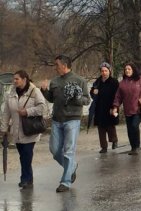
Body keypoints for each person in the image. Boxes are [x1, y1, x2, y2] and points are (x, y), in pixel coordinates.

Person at [40, 55, 91, 192]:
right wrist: (44, 90)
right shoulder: (55, 81)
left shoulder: (80, 81)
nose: (55, 67)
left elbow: (87, 100)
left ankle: (65, 182)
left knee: (68, 151)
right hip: (57, 120)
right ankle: (72, 167)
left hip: (72, 120)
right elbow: (51, 99)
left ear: (64, 65)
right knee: (55, 150)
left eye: (57, 65)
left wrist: (77, 98)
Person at [1, 70, 47, 189]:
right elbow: (6, 113)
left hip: (30, 130)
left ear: (24, 79)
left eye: (17, 79)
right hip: (16, 131)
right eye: (14, 79)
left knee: (26, 154)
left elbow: (42, 108)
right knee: (23, 155)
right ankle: (29, 178)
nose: (14, 81)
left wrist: (27, 112)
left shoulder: (34, 91)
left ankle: (25, 179)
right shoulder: (10, 93)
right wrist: (4, 129)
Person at [112, 62, 141, 155]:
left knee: (134, 126)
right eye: (126, 69)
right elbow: (118, 97)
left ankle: (137, 146)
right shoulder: (122, 83)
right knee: (130, 129)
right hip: (127, 110)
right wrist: (115, 107)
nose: (127, 71)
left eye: (129, 69)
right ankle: (133, 147)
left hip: (138, 109)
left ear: (133, 70)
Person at [90, 62, 119, 153]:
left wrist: (114, 107)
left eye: (106, 71)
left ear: (109, 71)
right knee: (101, 128)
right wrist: (93, 92)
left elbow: (117, 95)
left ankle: (114, 140)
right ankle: (104, 147)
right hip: (99, 108)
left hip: (110, 106)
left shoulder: (114, 82)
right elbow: (92, 92)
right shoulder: (97, 82)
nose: (104, 73)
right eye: (102, 71)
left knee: (110, 126)